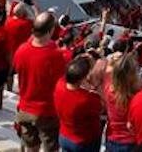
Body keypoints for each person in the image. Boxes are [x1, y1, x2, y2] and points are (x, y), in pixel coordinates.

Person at [12, 11, 68, 151]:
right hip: (47, 111)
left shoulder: (21, 50)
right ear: (50, 31)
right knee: (51, 147)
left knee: (31, 146)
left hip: (25, 108)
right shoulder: (57, 56)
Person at [54, 55, 104, 152]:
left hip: (64, 135)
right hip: (84, 141)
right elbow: (102, 107)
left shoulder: (59, 85)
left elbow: (69, 74)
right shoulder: (87, 99)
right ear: (82, 79)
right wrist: (95, 84)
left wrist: (78, 62)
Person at [101, 46, 140, 152]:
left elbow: (107, 69)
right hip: (130, 142)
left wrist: (113, 59)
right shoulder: (137, 95)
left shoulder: (108, 88)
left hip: (112, 138)